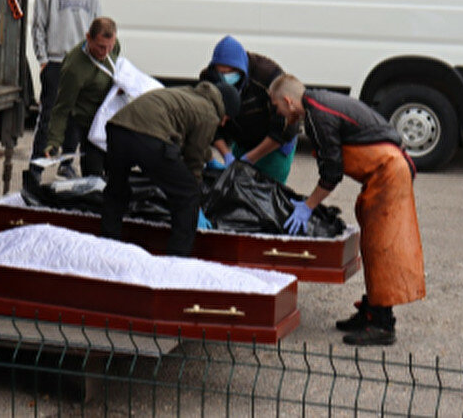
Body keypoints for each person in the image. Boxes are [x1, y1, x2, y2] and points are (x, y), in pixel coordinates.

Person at [268, 74, 425, 346]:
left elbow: (332, 172)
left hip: (388, 174)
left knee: (382, 248)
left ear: (288, 101)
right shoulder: (318, 103)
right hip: (382, 174)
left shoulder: (318, 115)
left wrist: (308, 206)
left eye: (276, 106)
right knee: (372, 244)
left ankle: (382, 325)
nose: (277, 112)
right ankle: (371, 310)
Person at [101, 81, 241, 257]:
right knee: (188, 194)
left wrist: (209, 158)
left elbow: (191, 135)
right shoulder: (210, 114)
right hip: (149, 137)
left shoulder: (188, 93)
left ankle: (107, 247)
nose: (222, 124)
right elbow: (193, 160)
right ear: (224, 111)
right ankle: (176, 259)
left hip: (118, 129)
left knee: (116, 189)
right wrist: (196, 203)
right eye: (226, 119)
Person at [31, 0, 100, 175]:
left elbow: (97, 27)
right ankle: (37, 165)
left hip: (81, 63)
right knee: (50, 115)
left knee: (76, 118)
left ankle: (67, 163)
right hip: (57, 61)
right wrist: (43, 59)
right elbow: (38, 27)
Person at [199, 35, 300, 184]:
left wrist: (250, 158)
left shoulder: (268, 76)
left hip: (274, 145)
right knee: (237, 187)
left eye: (231, 72)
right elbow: (210, 121)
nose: (227, 77)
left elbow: (286, 126)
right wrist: (226, 154)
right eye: (222, 73)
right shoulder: (210, 79)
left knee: (268, 191)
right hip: (242, 140)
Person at [42, 17, 119, 177]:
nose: (105, 52)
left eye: (109, 47)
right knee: (94, 176)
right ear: (88, 38)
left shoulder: (114, 48)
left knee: (116, 173)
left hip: (112, 118)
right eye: (100, 47)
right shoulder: (74, 68)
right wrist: (53, 142)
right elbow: (62, 108)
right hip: (89, 124)